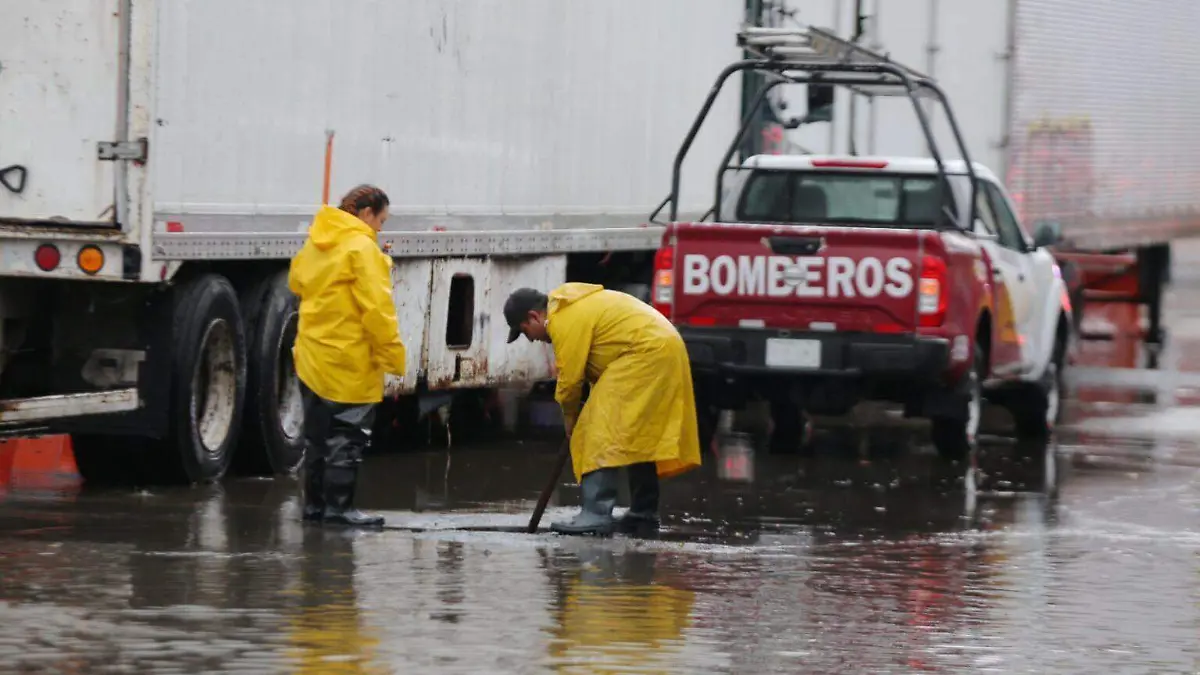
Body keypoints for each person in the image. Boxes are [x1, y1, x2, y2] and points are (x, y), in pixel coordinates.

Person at [504, 283, 703, 535]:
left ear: (534, 316)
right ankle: (643, 513)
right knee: (639, 435)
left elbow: (570, 381)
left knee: (598, 428)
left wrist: (570, 418)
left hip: (645, 353)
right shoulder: (572, 307)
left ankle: (596, 514)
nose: (531, 339)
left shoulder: (563, 318)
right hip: (662, 347)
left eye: (525, 331)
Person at [288, 184, 407, 527]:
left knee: (316, 438)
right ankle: (340, 509)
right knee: (347, 437)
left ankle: (314, 508)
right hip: (349, 360)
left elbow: (296, 282)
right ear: (366, 213)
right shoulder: (361, 249)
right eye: (380, 220)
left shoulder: (316, 243)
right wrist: (392, 357)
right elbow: (378, 311)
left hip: (312, 357)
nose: (380, 229)